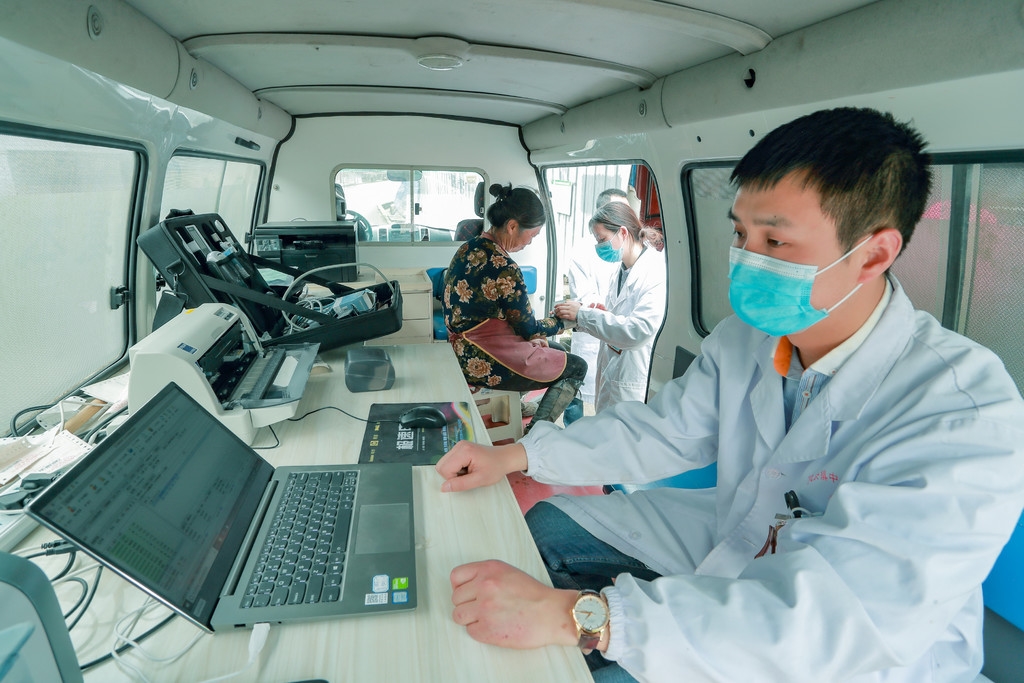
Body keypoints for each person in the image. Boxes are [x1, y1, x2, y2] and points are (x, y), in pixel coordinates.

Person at [435, 108, 1024, 682]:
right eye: (741, 234)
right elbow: (667, 429)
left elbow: (834, 621)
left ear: (873, 254)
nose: (746, 260)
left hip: (847, 654)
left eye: (776, 240)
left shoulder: (963, 412)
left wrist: (583, 619)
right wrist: (518, 455)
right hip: (734, 537)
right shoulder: (749, 338)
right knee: (546, 530)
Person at [444, 183, 587, 431]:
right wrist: (564, 321)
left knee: (553, 349)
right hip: (483, 357)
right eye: (532, 235)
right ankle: (537, 433)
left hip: (461, 347)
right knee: (576, 367)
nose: (530, 242)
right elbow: (528, 329)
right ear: (512, 226)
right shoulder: (504, 267)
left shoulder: (467, 247)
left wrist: (535, 336)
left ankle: (516, 407)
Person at [555, 201, 666, 413]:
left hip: (633, 376)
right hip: (612, 369)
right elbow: (621, 315)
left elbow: (638, 330)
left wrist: (584, 315)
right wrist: (600, 312)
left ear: (623, 232)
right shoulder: (621, 270)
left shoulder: (655, 271)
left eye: (602, 239)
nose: (599, 246)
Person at [562, 189, 628, 422]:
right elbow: (584, 295)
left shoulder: (628, 250)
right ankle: (572, 433)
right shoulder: (582, 250)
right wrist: (602, 310)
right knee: (577, 395)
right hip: (591, 334)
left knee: (608, 400)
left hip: (616, 334)